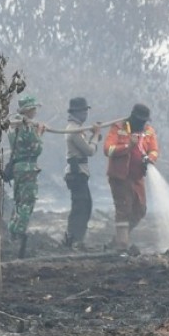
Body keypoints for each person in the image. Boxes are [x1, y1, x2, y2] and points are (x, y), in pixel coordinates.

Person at [104, 103, 159, 254]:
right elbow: (108, 149)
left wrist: (150, 158)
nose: (142, 123)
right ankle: (122, 245)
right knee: (124, 209)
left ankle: (119, 237)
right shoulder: (119, 128)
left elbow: (154, 149)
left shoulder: (148, 131)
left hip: (137, 177)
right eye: (139, 120)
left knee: (140, 209)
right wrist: (128, 146)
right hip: (120, 177)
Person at [8, 95, 46, 258]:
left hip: (18, 167)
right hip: (28, 168)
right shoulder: (26, 126)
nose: (35, 111)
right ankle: (19, 234)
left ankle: (13, 230)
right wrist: (39, 133)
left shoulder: (13, 126)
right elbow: (36, 148)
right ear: (29, 110)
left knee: (18, 200)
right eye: (34, 108)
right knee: (27, 202)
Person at [63, 97, 100, 250]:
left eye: (86, 110)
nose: (85, 113)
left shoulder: (77, 128)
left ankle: (75, 239)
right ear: (76, 112)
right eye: (83, 110)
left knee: (85, 205)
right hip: (76, 173)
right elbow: (89, 151)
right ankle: (72, 240)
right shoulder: (74, 130)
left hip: (79, 173)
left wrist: (92, 136)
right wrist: (96, 136)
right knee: (81, 206)